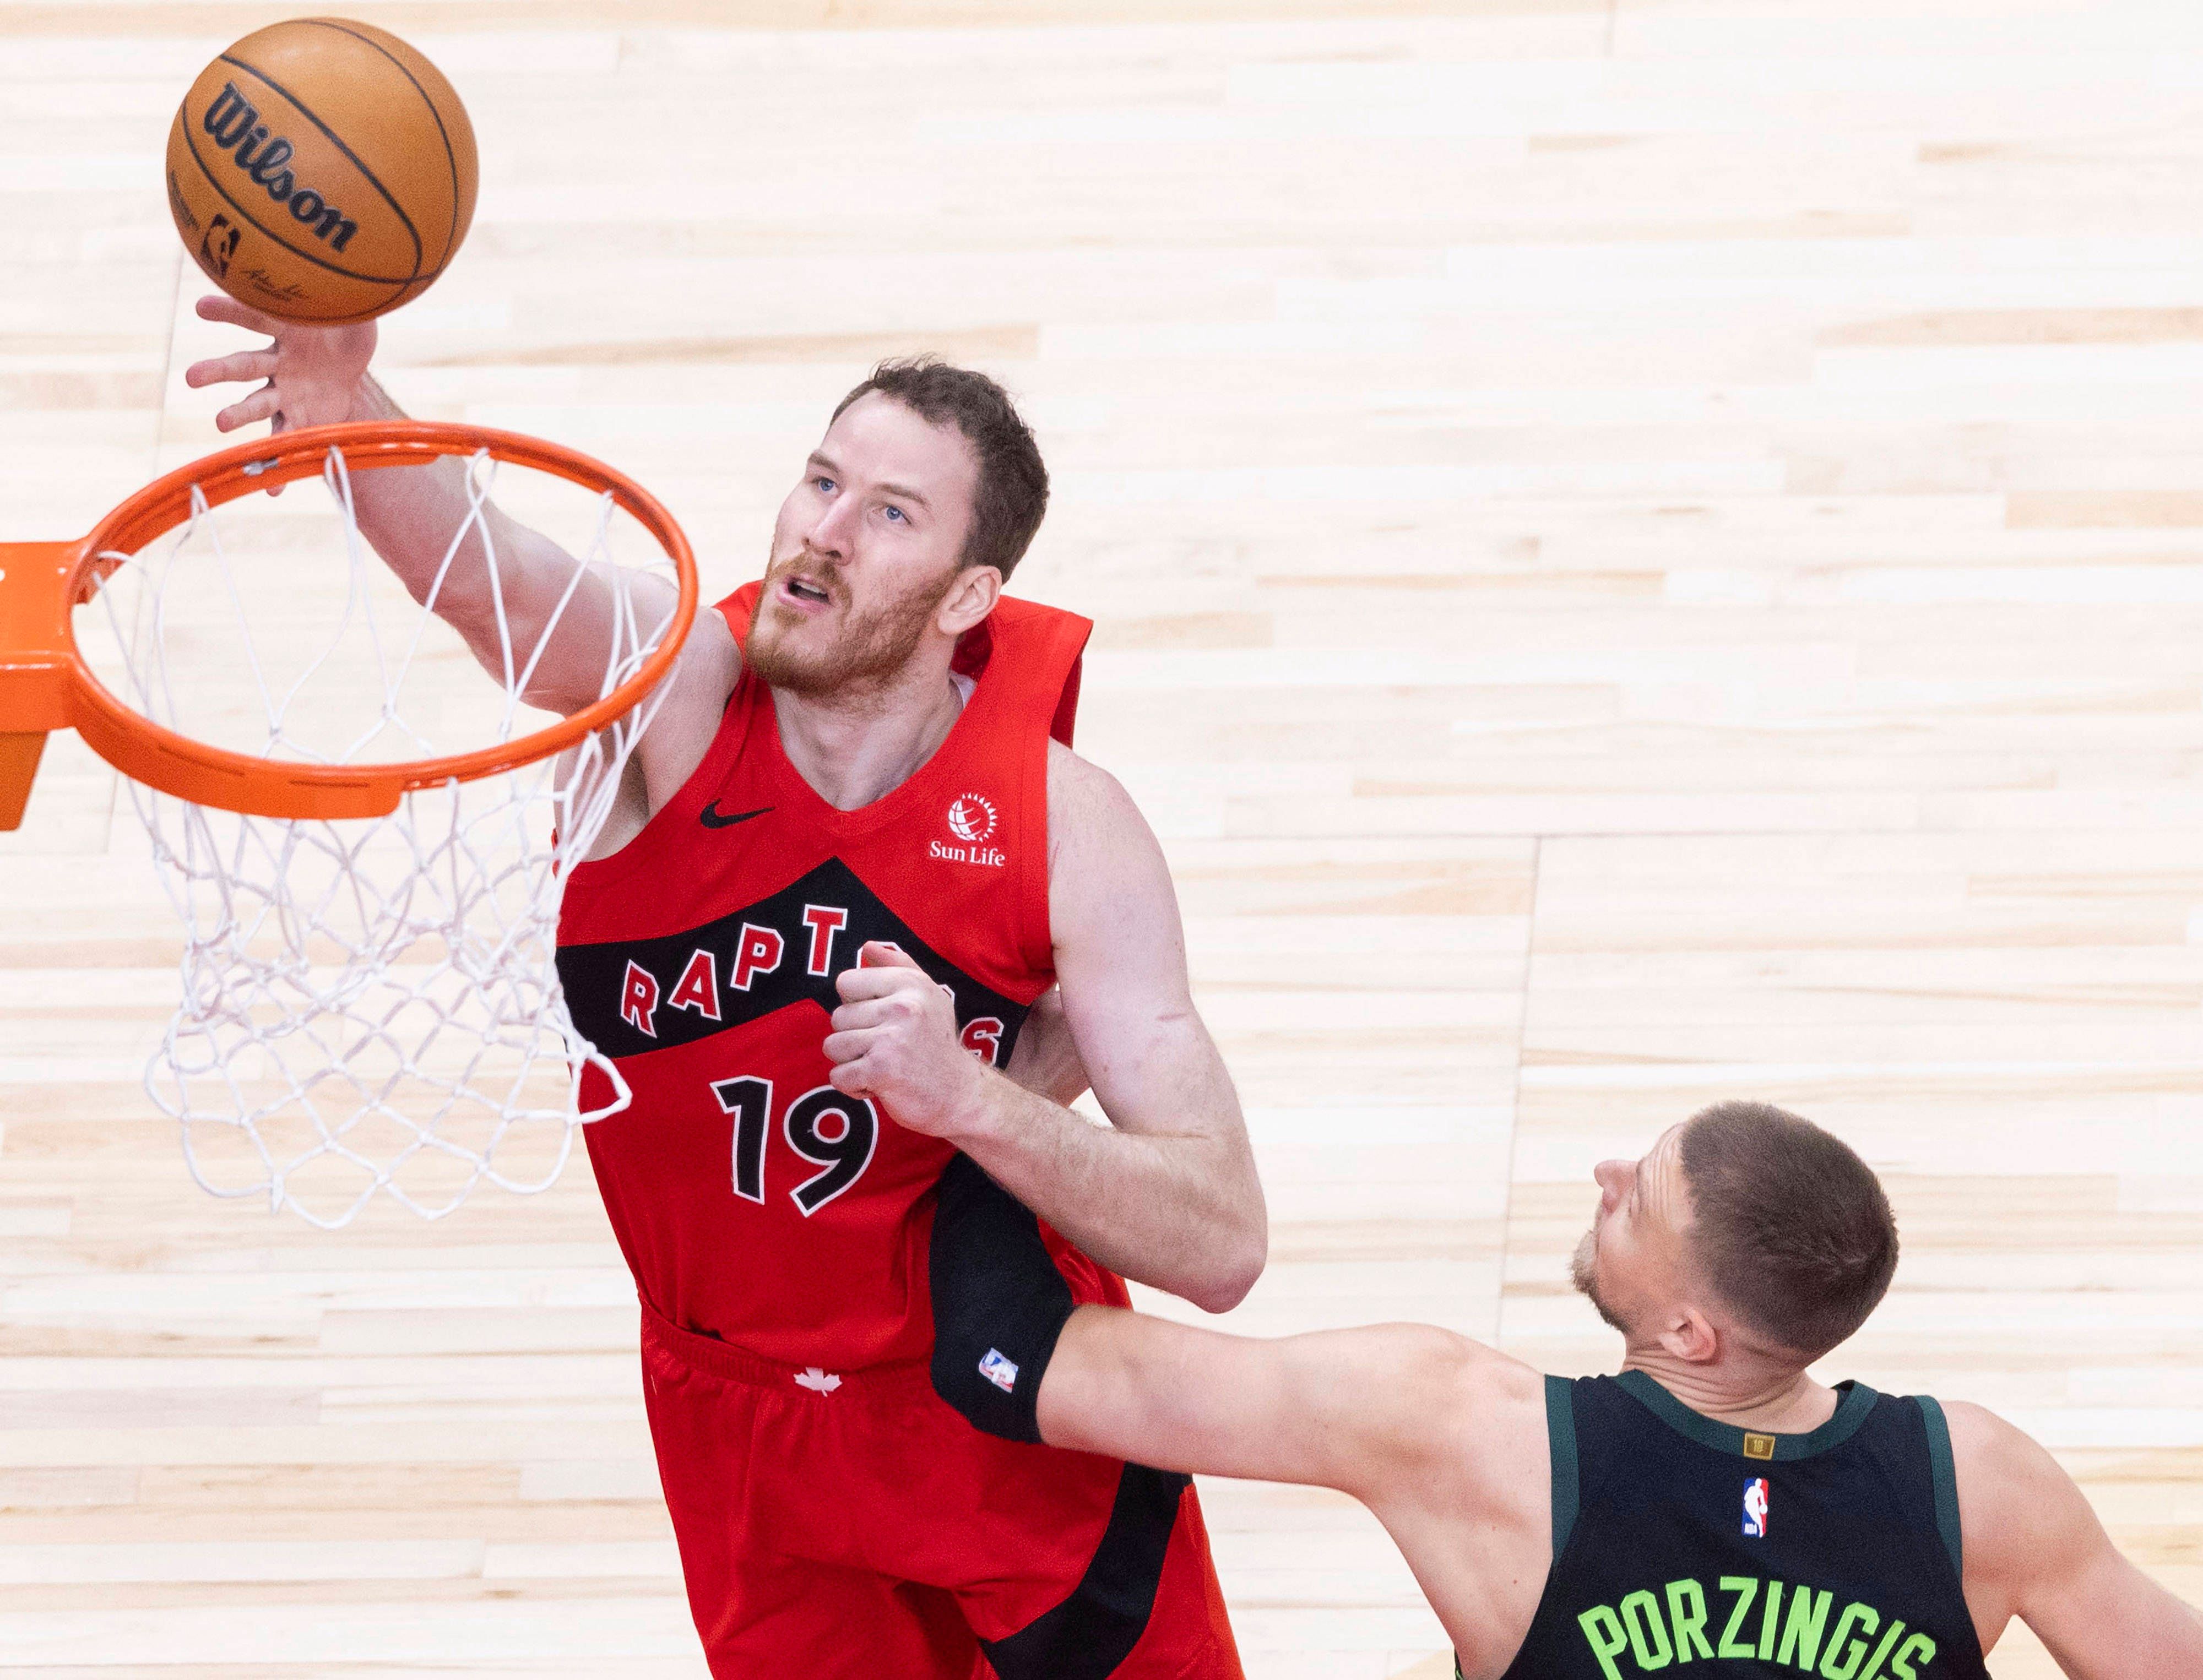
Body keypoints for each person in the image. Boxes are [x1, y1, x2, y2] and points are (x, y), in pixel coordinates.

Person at [185, 294, 1263, 1679]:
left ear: (968, 597)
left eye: (888, 512)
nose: (823, 526)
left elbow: (1222, 1235)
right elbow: (490, 578)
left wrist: (973, 1099)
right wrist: (346, 401)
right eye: (821, 479)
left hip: (1002, 1385)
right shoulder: (678, 691)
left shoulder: (1067, 826)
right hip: (737, 1423)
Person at [932, 1096, 2203, 1678]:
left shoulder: (1462, 1431)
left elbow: (1016, 1365)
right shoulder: (1976, 1476)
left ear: (1690, 1331)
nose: (1603, 1171)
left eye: (1637, 1192)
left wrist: (987, 1101)